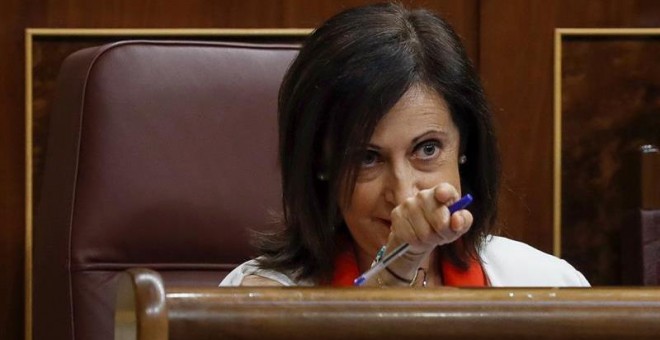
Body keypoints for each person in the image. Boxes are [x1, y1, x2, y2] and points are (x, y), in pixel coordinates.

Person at [221, 2, 589, 287]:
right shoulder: (260, 296)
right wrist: (397, 265)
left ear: (465, 147)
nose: (403, 193)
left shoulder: (544, 284)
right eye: (367, 158)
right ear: (322, 164)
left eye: (427, 149)